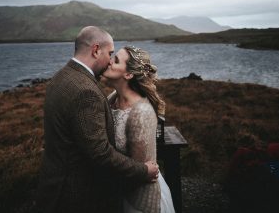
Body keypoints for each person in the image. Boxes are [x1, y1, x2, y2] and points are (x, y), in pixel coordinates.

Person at [36, 26, 159, 213]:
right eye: (110, 54)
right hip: (76, 194)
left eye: (114, 58)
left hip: (54, 184)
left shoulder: (60, 77)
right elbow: (100, 153)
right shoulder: (87, 91)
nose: (109, 61)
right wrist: (144, 171)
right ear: (95, 50)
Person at [102, 45, 176, 213]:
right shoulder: (112, 98)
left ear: (128, 74)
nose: (109, 62)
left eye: (116, 60)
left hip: (138, 201)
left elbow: (138, 173)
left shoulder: (140, 113)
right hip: (118, 194)